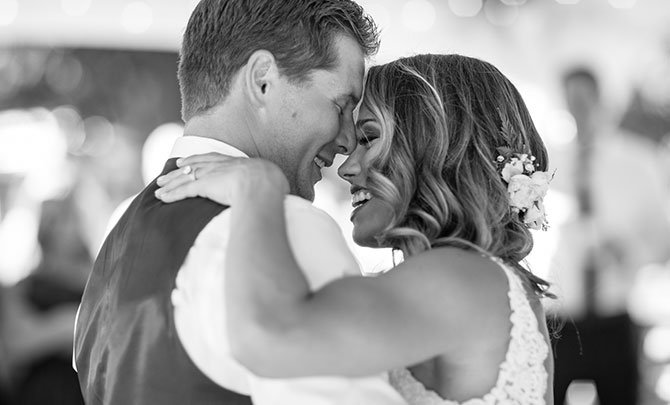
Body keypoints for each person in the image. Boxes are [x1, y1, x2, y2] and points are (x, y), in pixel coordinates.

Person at [156, 54, 556, 404]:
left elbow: (268, 337)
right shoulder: (467, 279)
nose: (346, 168)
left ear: (433, 146)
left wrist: (259, 190)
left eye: (369, 138)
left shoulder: (463, 279)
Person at [74, 0, 406, 404]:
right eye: (340, 106)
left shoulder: (114, 250)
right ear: (262, 79)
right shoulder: (282, 227)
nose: (347, 142)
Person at [544, 66, 670, 405]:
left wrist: (630, 253)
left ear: (600, 99)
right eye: (570, 100)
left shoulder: (637, 161)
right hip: (559, 315)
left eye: (583, 99)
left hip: (614, 315)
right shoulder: (548, 163)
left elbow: (663, 237)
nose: (577, 109)